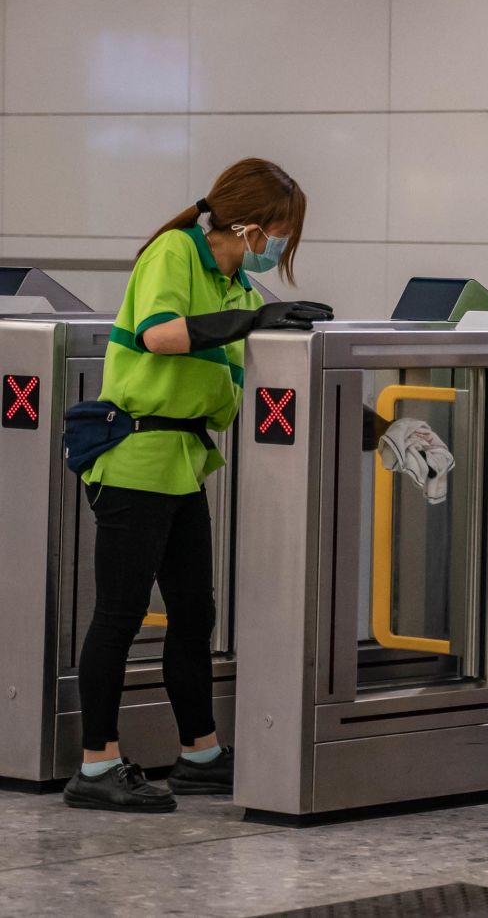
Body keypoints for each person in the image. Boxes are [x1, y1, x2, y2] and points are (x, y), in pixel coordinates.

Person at [63, 159, 333, 813]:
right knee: (121, 613)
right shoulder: (173, 253)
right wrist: (255, 322)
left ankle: (200, 753)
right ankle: (95, 763)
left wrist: (383, 429)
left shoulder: (236, 283)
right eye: (276, 234)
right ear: (246, 225)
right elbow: (160, 334)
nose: (276, 249)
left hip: (182, 459)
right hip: (135, 456)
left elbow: (263, 363)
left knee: (194, 611)